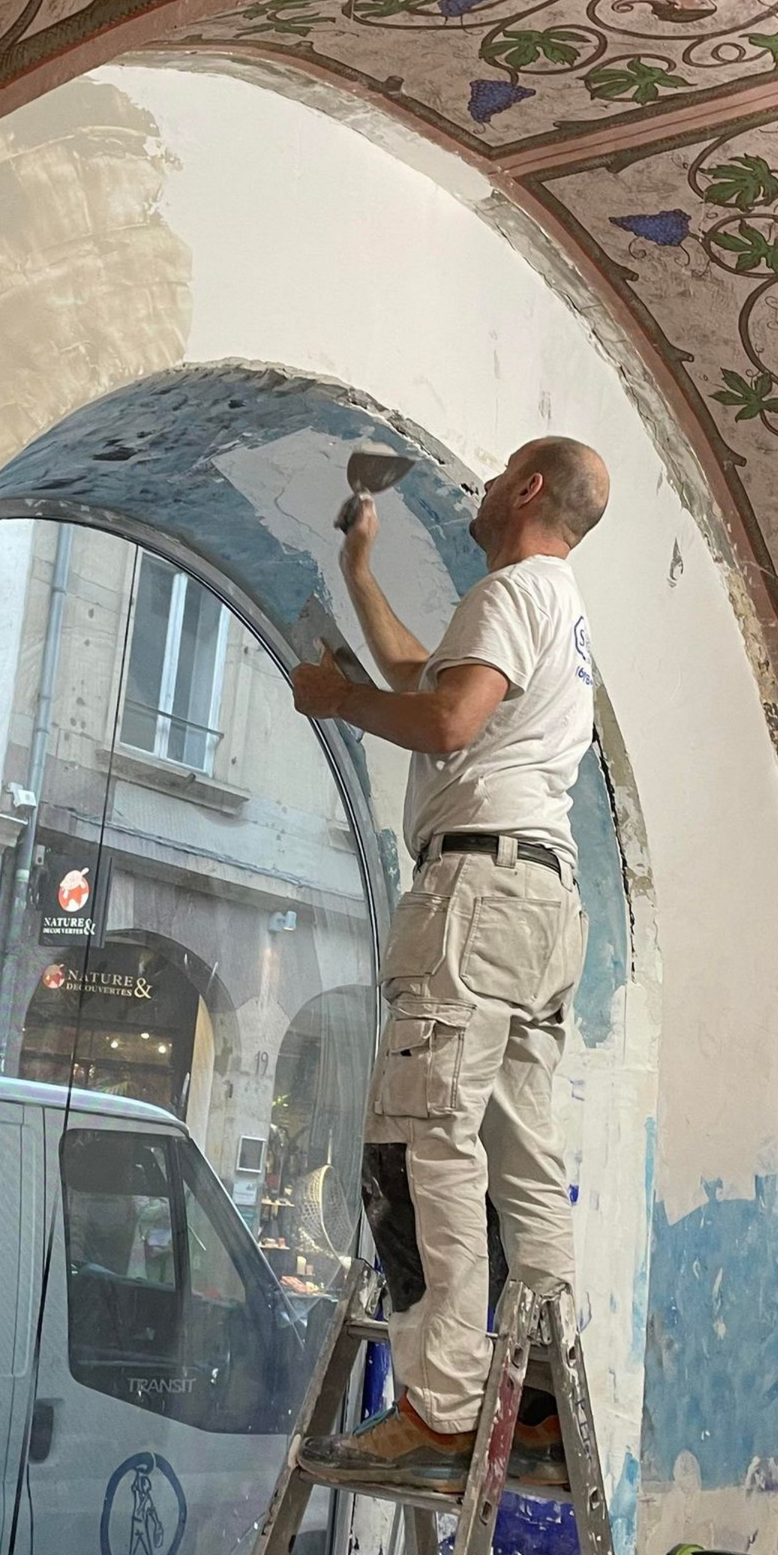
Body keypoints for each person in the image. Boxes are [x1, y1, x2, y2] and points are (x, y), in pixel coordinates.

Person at [288, 437, 608, 1494]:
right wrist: (361, 573)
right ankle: (549, 1403)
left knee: (429, 1138)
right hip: (542, 901)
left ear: (526, 489)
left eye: (497, 474)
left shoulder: (512, 588)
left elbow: (443, 717)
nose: (478, 492)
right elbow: (425, 680)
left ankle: (442, 1406)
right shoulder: (556, 612)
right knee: (521, 1151)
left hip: (475, 893)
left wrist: (334, 704)